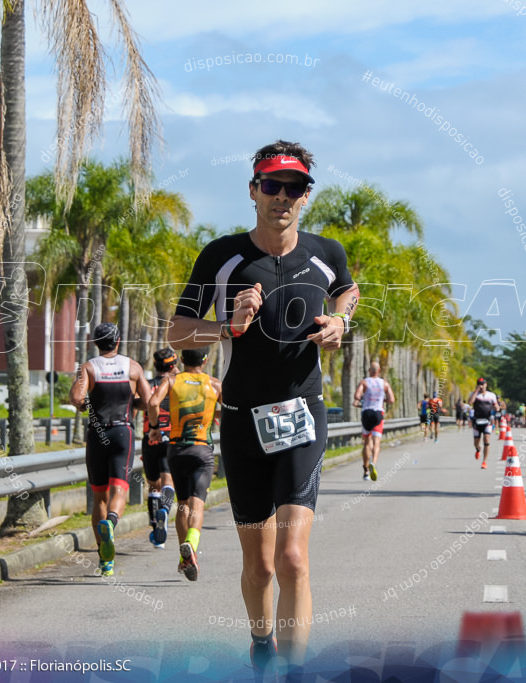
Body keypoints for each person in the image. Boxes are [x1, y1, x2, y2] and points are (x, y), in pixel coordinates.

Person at [166, 140, 359, 673]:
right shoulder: (222, 256)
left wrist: (342, 319)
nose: (282, 196)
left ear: (305, 196)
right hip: (242, 425)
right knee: (261, 566)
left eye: (293, 188)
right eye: (271, 185)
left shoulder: (326, 252)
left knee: (293, 558)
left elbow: (348, 290)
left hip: (302, 418)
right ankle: (261, 644)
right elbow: (177, 330)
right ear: (253, 190)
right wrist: (226, 325)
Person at [70, 322, 151, 577]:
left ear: (96, 343)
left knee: (99, 497)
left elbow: (76, 399)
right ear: (117, 342)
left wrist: (88, 407)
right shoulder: (132, 367)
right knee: (120, 489)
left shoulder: (89, 368)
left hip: (97, 433)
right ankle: (111, 523)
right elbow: (148, 401)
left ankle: (105, 560)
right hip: (122, 432)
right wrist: (132, 402)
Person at [148, 348, 222, 582]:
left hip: (176, 449)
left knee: (182, 505)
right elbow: (232, 411)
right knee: (197, 504)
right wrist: (211, 414)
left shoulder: (171, 380)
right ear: (205, 360)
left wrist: (154, 428)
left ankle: (184, 556)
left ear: (181, 359)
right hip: (202, 450)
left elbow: (152, 403)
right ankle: (191, 543)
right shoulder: (215, 384)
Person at [141, 348, 179, 548]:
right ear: (173, 366)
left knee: (153, 487)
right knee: (168, 483)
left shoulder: (147, 386)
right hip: (170, 436)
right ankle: (165, 508)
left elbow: (139, 403)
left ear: (155, 365)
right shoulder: (175, 384)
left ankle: (156, 533)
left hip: (149, 438)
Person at [354, 361, 396, 480]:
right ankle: (374, 462)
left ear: (369, 370)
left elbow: (357, 396)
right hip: (378, 413)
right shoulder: (384, 383)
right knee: (376, 441)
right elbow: (392, 399)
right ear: (379, 371)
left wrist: (363, 399)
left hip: (366, 412)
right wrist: (383, 400)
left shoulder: (364, 382)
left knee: (367, 442)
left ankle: (366, 470)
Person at [468, 378, 500, 469]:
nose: (481, 386)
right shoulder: (474, 394)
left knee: (486, 439)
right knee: (476, 442)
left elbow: (496, 405)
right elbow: (470, 402)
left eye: (482, 384)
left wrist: (497, 408)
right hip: (477, 420)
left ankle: (484, 461)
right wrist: (476, 391)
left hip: (487, 420)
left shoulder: (491, 395)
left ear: (486, 384)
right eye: (479, 384)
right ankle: (478, 449)